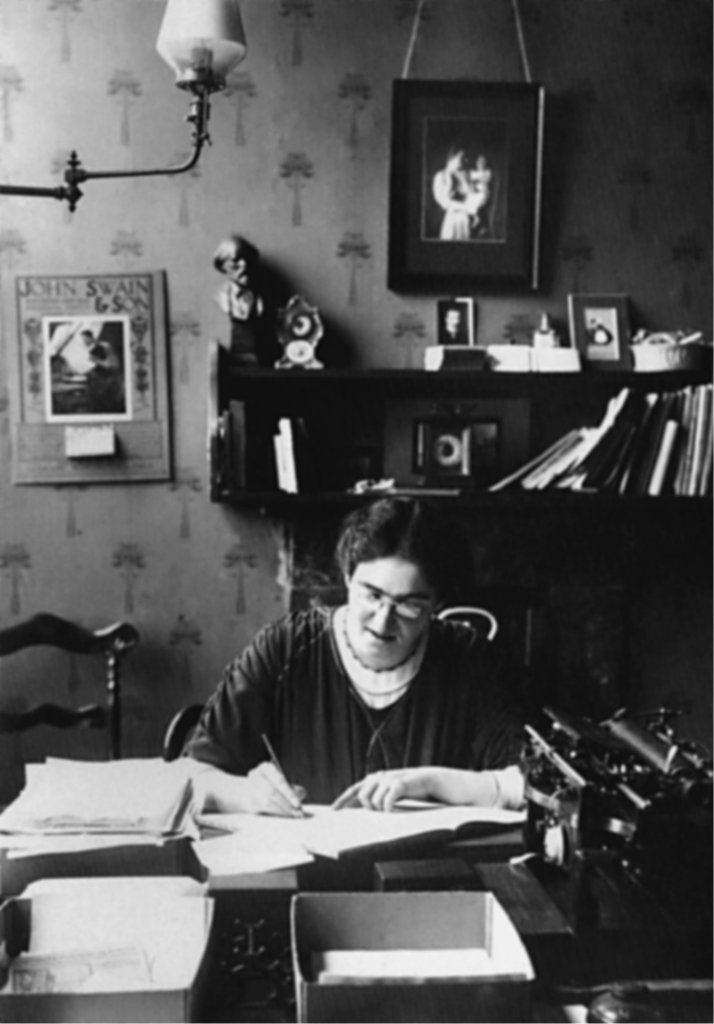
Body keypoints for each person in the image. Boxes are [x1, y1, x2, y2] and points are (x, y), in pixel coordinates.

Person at [187, 497, 526, 816]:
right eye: (372, 595)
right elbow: (193, 773)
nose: (383, 621)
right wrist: (245, 794)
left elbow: (533, 783)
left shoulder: (472, 660)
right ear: (347, 577)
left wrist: (434, 781)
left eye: (409, 605)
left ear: (437, 604)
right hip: (305, 870)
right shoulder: (283, 649)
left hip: (429, 872)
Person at [214, 234, 264, 365]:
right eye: (236, 260)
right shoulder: (223, 295)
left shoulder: (258, 296)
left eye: (247, 259)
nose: (244, 265)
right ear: (224, 266)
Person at [432, 149, 473, 241]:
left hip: (464, 219)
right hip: (452, 218)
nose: (462, 162)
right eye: (460, 158)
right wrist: (465, 207)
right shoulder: (441, 176)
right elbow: (444, 201)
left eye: (464, 158)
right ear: (452, 158)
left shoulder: (462, 175)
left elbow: (468, 193)